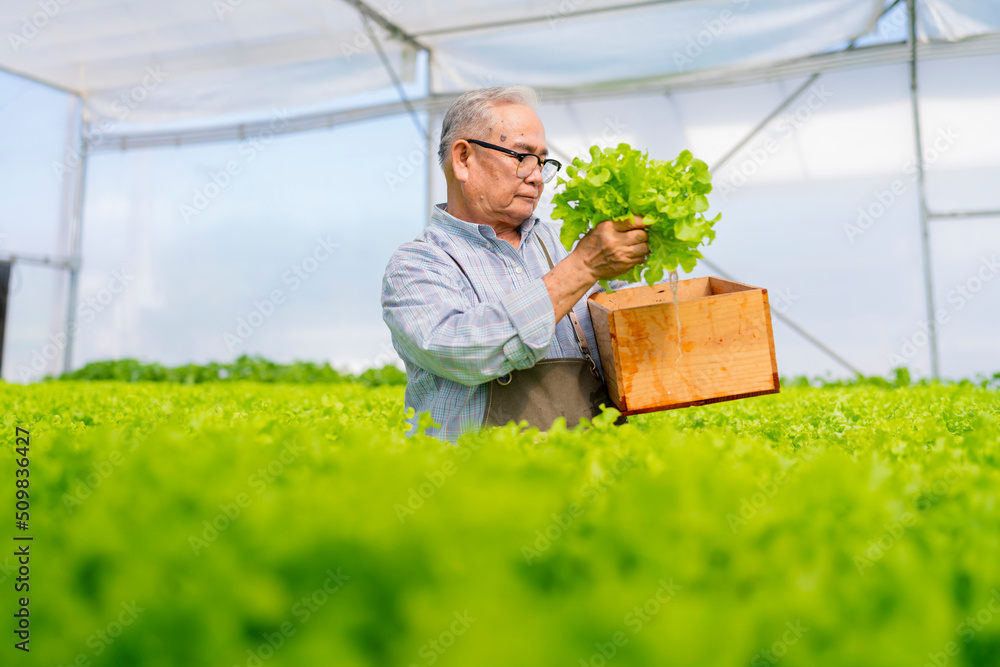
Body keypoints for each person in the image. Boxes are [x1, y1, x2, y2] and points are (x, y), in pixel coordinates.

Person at [381, 86, 648, 442]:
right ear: (463, 159)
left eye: (542, 161)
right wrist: (582, 268)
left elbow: (638, 345)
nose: (536, 176)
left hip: (592, 477)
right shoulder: (418, 264)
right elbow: (466, 351)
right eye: (521, 156)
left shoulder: (566, 243)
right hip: (479, 486)